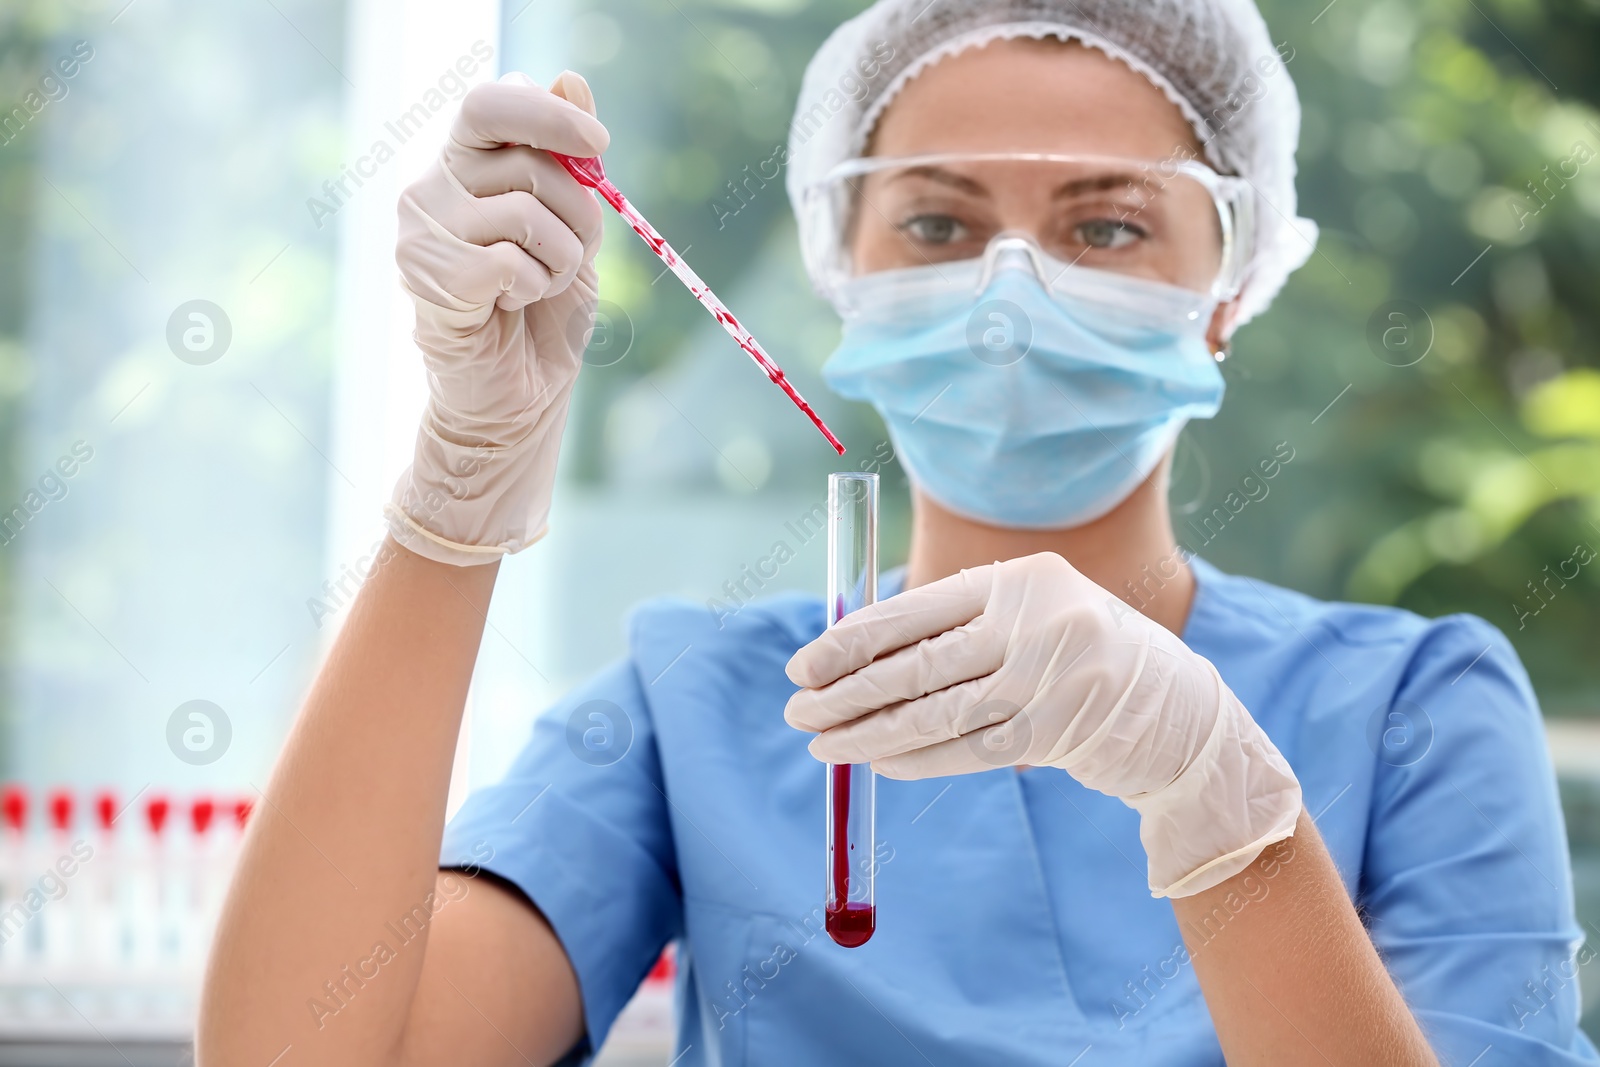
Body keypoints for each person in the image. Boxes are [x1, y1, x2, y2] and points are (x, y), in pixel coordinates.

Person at [198, 0, 1598, 1064]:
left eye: (1105, 230)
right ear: (840, 267)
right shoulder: (702, 713)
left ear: (1231, 283)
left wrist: (1222, 803)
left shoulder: (1415, 708)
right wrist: (459, 491)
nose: (1007, 292)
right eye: (935, 221)